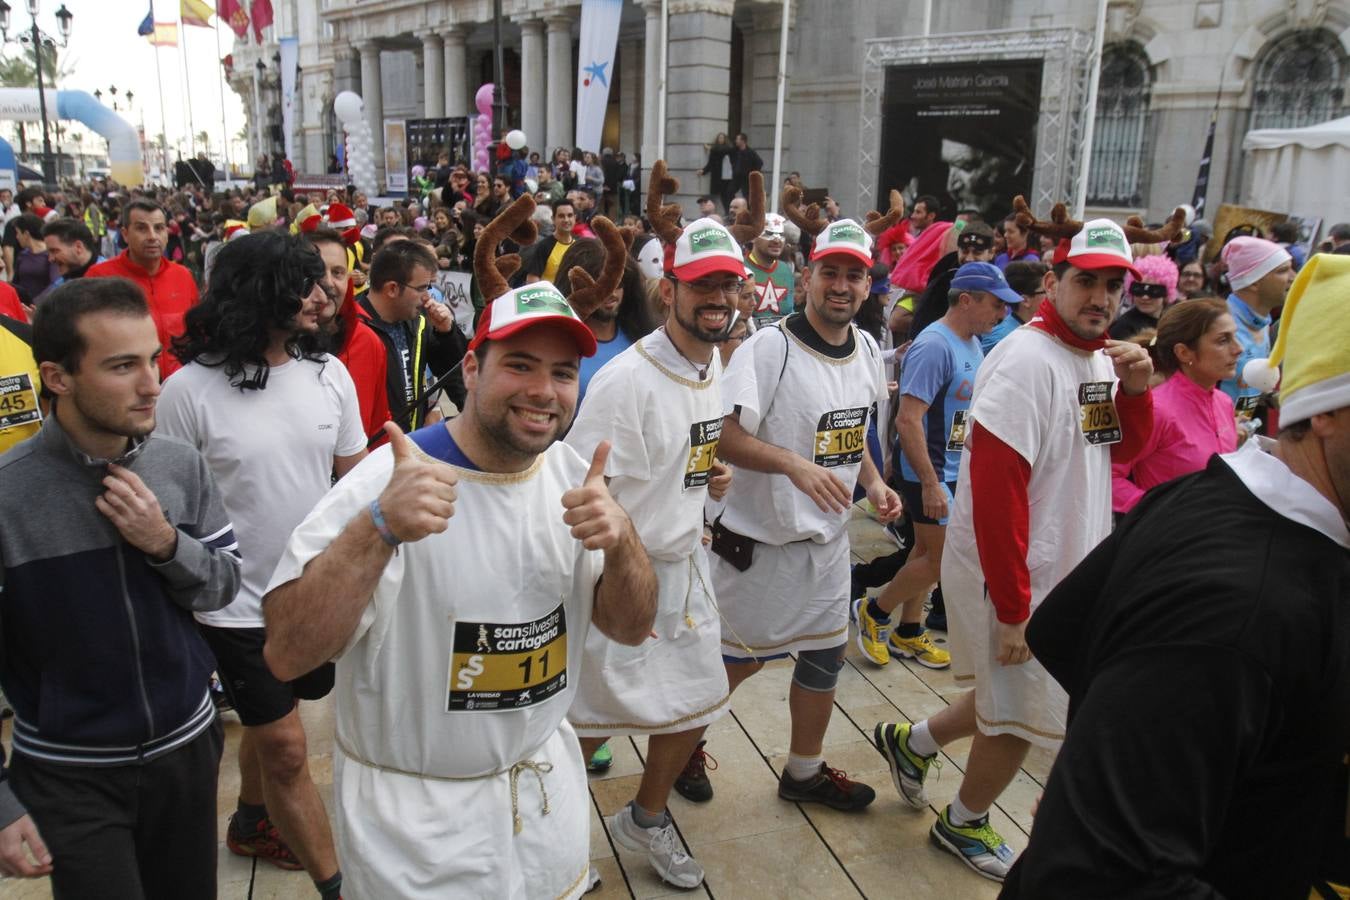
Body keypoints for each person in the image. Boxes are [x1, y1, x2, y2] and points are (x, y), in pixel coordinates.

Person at [259, 196, 658, 899]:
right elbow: (288, 653)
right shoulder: (389, 484)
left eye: (563, 374)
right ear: (472, 370)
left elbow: (630, 627)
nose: (543, 391)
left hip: (542, 798)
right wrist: (377, 530)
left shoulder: (575, 481)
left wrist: (624, 542)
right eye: (520, 366)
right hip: (418, 829)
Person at [1001, 252, 1350, 898]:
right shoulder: (1234, 616)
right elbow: (1097, 875)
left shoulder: (1215, 491)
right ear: (1326, 409)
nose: (1104, 296)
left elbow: (1069, 630)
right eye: (1089, 281)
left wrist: (1107, 760)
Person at [873, 211, 1157, 882]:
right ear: (1055, 280)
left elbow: (1118, 453)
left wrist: (1139, 394)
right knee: (1023, 716)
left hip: (1061, 568)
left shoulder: (1096, 358)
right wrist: (1014, 607)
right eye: (1088, 281)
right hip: (1020, 575)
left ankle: (912, 745)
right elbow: (999, 496)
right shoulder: (1029, 362)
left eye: (1114, 285)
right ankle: (963, 820)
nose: (1102, 298)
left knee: (1013, 697)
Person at [0, 278, 241, 897]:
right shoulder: (7, 496)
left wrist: (166, 543)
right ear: (58, 377)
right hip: (68, 773)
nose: (153, 383)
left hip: (186, 753)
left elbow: (223, 585)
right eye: (122, 366)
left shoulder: (179, 465)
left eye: (154, 359)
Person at [157, 232, 366, 895]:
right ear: (255, 293)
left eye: (321, 279)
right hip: (232, 607)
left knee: (277, 722)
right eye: (301, 282)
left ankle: (250, 818)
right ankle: (340, 887)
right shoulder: (185, 392)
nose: (322, 292)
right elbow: (169, 510)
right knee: (286, 747)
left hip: (313, 596)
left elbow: (355, 486)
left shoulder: (330, 375)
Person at [565, 214, 741, 890]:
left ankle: (645, 817)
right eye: (702, 286)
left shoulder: (712, 359)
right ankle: (550, 843)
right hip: (622, 577)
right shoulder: (626, 382)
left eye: (728, 284)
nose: (717, 299)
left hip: (686, 564)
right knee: (583, 723)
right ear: (669, 291)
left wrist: (707, 476)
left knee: (697, 703)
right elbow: (584, 487)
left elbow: (687, 451)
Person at [709, 209, 901, 810]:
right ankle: (683, 745)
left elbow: (852, 432)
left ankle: (803, 771)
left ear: (867, 284)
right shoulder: (771, 348)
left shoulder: (867, 347)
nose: (841, 286)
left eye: (854, 274)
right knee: (735, 665)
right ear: (809, 274)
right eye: (830, 272)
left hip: (827, 543)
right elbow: (723, 438)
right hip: (760, 546)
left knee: (824, 656)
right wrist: (793, 465)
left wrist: (872, 483)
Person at [853, 262, 1022, 669]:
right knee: (944, 559)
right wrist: (927, 482)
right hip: (929, 472)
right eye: (996, 306)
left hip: (952, 469)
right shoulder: (935, 345)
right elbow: (908, 418)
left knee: (925, 554)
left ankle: (908, 631)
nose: (1002, 315)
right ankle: (875, 611)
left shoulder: (971, 342)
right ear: (966, 300)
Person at [1111, 298, 1239, 515]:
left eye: (1234, 337)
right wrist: (1160, 514)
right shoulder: (1158, 409)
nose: (1238, 349)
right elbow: (1110, 477)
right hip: (1169, 543)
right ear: (1184, 353)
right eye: (1222, 340)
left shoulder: (1224, 402)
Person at [357, 240, 469, 435]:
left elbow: (455, 375)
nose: (428, 297)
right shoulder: (352, 328)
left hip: (410, 446)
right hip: (369, 454)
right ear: (392, 288)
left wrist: (447, 333)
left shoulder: (420, 321)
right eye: (422, 288)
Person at [87, 199, 200, 379]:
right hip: (128, 387)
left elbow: (196, 331)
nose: (152, 236)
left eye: (159, 228)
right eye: (141, 228)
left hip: (179, 383)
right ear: (125, 234)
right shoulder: (100, 277)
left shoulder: (183, 275)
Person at [552, 237, 655, 407]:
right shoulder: (558, 344)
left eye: (618, 282)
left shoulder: (644, 340)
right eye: (600, 283)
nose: (612, 293)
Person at [1216, 235, 1294, 421]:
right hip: (1212, 441)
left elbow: (1241, 386)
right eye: (1283, 271)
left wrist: (1268, 398)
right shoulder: (1220, 324)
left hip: (1242, 436)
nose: (1293, 278)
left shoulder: (1262, 322)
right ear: (1254, 281)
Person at [1109, 253, 1178, 340]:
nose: (1145, 297)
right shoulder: (1123, 327)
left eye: (1154, 290)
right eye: (1139, 289)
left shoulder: (1169, 323)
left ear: (1167, 292)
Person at [982, 258, 1045, 352]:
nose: (1053, 295)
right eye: (1046, 291)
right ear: (1025, 300)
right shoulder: (1000, 340)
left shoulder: (1041, 331)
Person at [745, 212, 795, 325]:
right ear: (753, 237)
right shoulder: (741, 268)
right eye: (769, 233)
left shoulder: (786, 269)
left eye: (781, 235)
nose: (777, 240)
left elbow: (790, 311)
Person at [522, 199, 578, 284]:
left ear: (575, 218)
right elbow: (532, 279)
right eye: (561, 216)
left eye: (570, 215)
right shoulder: (544, 246)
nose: (566, 220)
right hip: (549, 296)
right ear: (553, 219)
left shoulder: (579, 244)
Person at [41, 218, 103, 284]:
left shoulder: (109, 278)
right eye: (49, 252)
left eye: (54, 251)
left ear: (78, 247)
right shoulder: (62, 283)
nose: (50, 259)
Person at [696, 134, 735, 213]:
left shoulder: (728, 149)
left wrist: (710, 148)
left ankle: (728, 212)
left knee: (727, 196)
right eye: (719, 138)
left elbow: (724, 150)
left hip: (727, 178)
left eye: (722, 138)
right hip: (717, 177)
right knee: (717, 197)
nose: (720, 139)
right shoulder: (714, 150)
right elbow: (711, 163)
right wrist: (704, 171)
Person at [730, 133, 764, 208]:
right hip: (737, 178)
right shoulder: (735, 151)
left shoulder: (750, 152)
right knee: (729, 192)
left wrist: (752, 174)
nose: (736, 141)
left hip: (746, 178)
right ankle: (733, 207)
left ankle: (747, 210)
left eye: (738, 139)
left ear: (743, 141)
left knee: (747, 196)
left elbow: (759, 163)